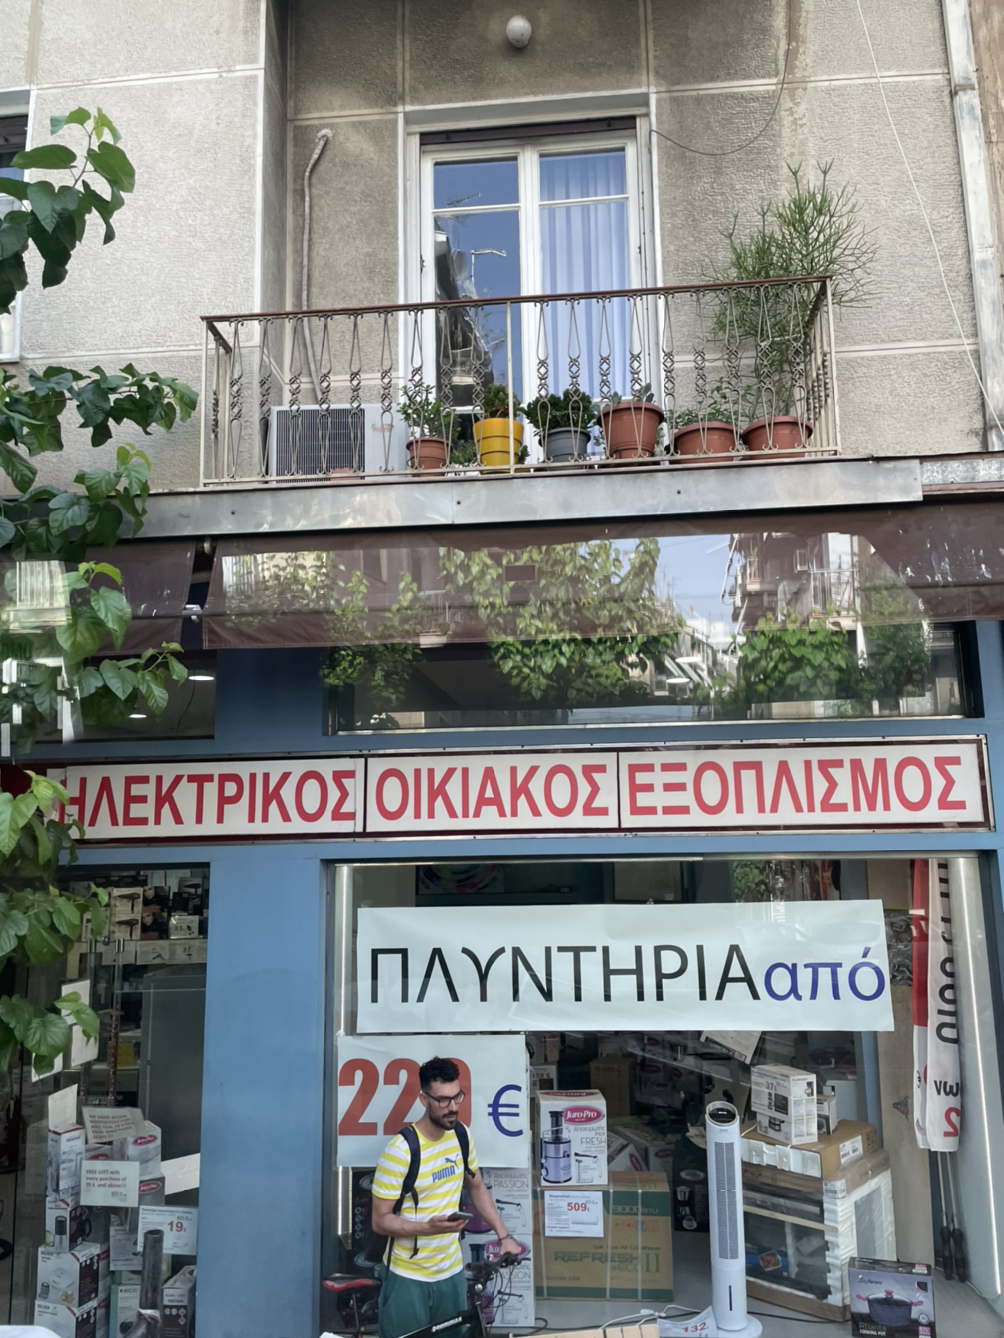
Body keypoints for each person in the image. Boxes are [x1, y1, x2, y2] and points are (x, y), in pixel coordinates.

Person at [371, 1055, 522, 1338]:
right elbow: (380, 1221)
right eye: (443, 1100)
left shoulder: (461, 1136)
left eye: (457, 1097)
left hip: (450, 1273)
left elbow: (476, 1186)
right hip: (408, 1276)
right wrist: (426, 1229)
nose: (452, 1107)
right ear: (424, 1099)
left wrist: (504, 1236)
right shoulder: (400, 1151)